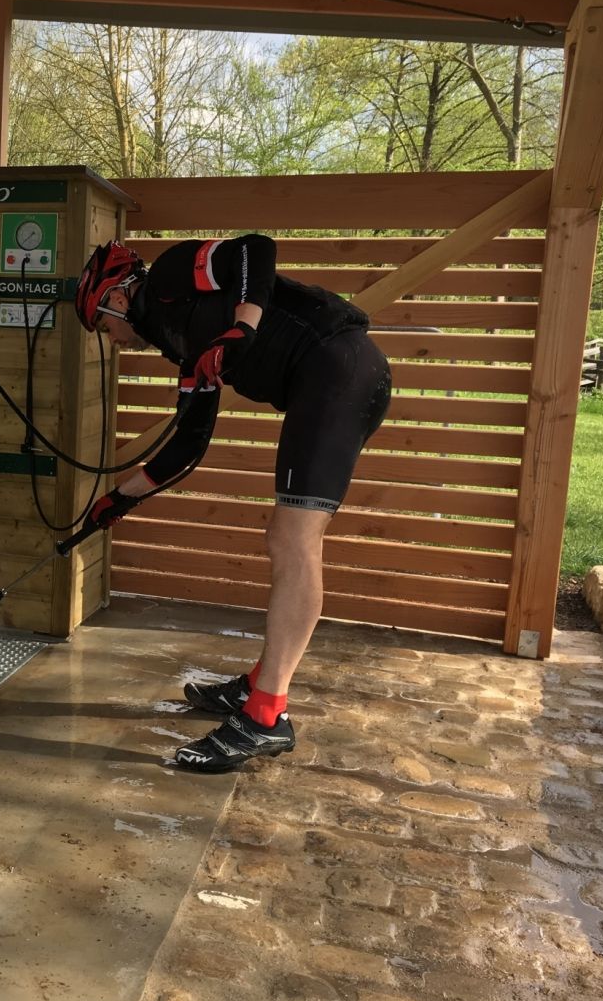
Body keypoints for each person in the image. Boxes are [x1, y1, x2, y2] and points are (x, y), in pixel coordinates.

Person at [73, 236, 392, 774]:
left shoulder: (174, 274)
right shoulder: (183, 347)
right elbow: (187, 447)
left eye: (103, 326)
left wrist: (243, 325)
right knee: (289, 539)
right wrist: (116, 501)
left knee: (292, 541)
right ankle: (258, 687)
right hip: (326, 379)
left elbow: (255, 251)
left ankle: (266, 717)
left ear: (117, 300)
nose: (113, 340)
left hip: (339, 367)